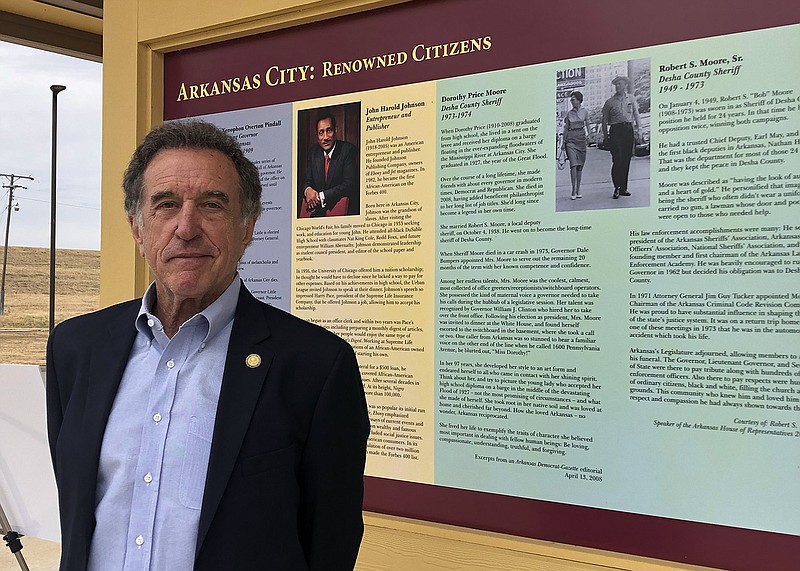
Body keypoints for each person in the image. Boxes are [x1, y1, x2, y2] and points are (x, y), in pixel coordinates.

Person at [46, 120, 370, 570]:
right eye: (165, 205)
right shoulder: (75, 349)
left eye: (212, 205)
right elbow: (76, 509)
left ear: (247, 227)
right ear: (138, 229)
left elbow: (328, 543)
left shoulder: (316, 367)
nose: (186, 227)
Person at [300, 110, 359, 217]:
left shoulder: (347, 150)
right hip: (316, 215)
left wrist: (321, 196)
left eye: (329, 130)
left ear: (336, 130)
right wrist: (307, 190)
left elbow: (349, 184)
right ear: (317, 135)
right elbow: (306, 180)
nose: (325, 137)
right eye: (321, 132)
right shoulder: (314, 152)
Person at [601, 75, 641, 199]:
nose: (618, 86)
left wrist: (639, 130)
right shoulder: (609, 102)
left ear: (625, 85)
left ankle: (623, 188)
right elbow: (604, 120)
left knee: (626, 160)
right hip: (616, 131)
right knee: (617, 159)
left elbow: (636, 114)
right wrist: (605, 136)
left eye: (620, 84)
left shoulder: (631, 98)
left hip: (627, 129)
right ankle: (617, 187)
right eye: (616, 84)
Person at [562, 91, 589, 200]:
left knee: (580, 166)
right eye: (571, 100)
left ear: (579, 100)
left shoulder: (585, 112)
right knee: (573, 165)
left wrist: (590, 136)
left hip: (581, 138)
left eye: (573, 99)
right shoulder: (569, 113)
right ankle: (573, 189)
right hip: (570, 140)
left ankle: (578, 189)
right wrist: (563, 143)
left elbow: (588, 124)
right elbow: (566, 129)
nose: (571, 102)